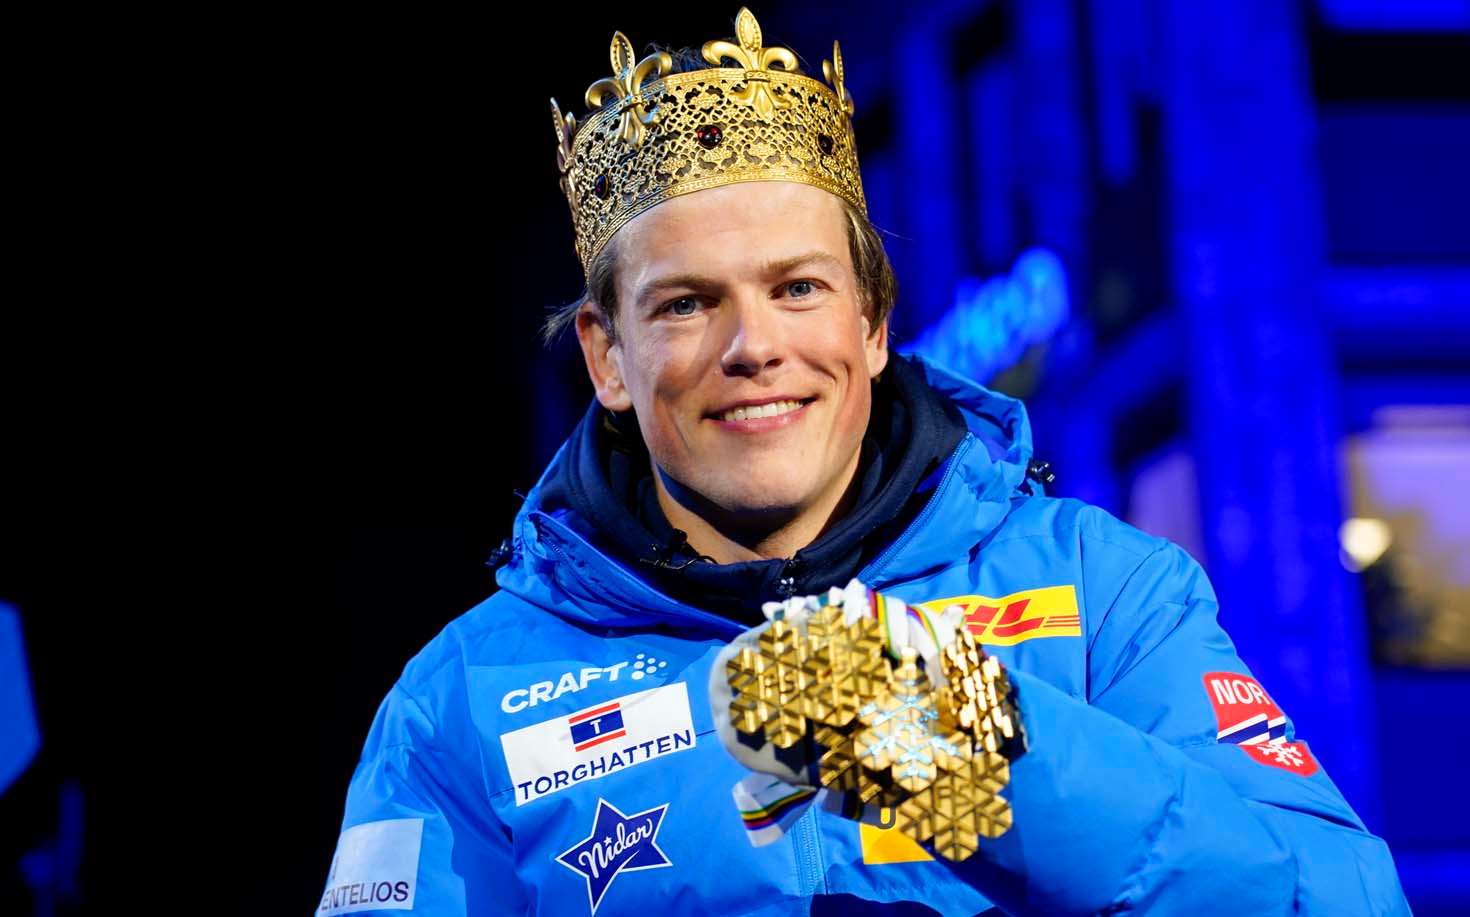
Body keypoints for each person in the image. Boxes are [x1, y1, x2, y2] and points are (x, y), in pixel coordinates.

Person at [322, 9, 1409, 915]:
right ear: (608, 357)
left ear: (874, 322)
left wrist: (967, 746)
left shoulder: (1105, 589)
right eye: (688, 304)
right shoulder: (459, 702)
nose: (754, 347)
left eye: (797, 287)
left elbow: (1339, 900)